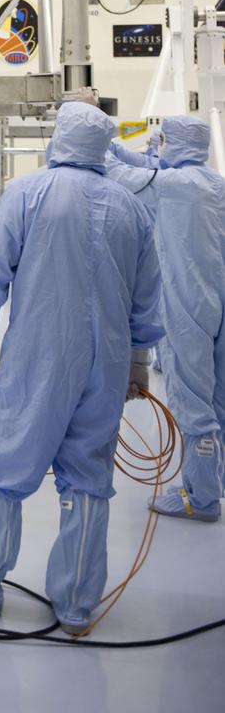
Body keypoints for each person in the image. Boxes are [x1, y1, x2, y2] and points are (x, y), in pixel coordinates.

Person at [0, 102, 163, 635]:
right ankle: (78, 606)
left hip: (39, 355)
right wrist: (138, 363)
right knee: (87, 478)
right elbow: (147, 297)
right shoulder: (131, 208)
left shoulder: (28, 193)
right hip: (105, 364)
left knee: (5, 461)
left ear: (59, 138)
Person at [108, 116, 225, 522]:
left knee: (192, 399)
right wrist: (121, 142)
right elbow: (140, 165)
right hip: (217, 302)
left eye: (162, 140)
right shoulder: (212, 182)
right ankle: (215, 478)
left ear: (175, 143)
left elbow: (115, 170)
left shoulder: (174, 187)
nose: (157, 147)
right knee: (218, 398)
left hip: (188, 304)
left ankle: (202, 498)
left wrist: (96, 124)